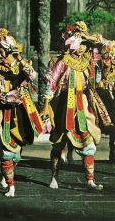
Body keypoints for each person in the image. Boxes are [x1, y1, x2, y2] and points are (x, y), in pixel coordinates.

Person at [0, 28, 43, 197]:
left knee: (17, 149)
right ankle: (11, 185)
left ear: (9, 51)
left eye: (2, 52)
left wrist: (21, 60)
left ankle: (8, 171)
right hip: (2, 111)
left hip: (20, 110)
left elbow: (32, 77)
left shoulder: (22, 66)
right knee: (5, 148)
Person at [41, 29, 103, 191]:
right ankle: (54, 176)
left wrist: (90, 38)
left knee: (87, 140)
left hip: (83, 104)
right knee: (59, 142)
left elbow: (103, 49)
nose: (82, 48)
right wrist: (46, 105)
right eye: (79, 43)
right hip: (63, 104)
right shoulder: (63, 61)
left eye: (85, 44)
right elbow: (52, 82)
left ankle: (90, 180)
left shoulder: (88, 61)